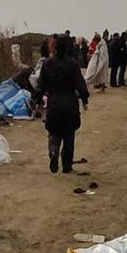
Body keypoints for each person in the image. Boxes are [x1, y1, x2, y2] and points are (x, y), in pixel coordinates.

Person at [37, 34, 89, 173]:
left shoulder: (47, 64)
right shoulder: (72, 64)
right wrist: (84, 99)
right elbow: (80, 85)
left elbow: (41, 86)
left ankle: (53, 152)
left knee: (54, 132)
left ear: (54, 49)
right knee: (69, 135)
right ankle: (67, 165)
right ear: (67, 49)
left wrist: (37, 101)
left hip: (54, 104)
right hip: (70, 104)